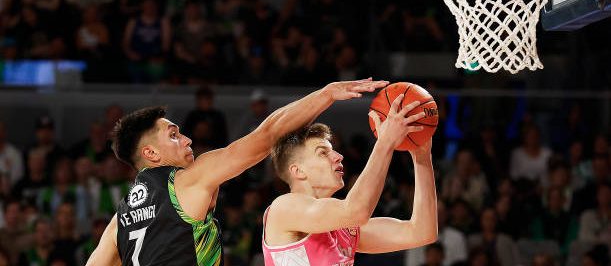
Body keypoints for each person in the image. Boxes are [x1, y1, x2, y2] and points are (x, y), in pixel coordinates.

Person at [86, 78, 388, 265]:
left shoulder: (120, 219)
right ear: (151, 153)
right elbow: (266, 136)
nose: (188, 139)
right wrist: (326, 95)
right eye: (174, 135)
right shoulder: (187, 180)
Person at [262, 94, 438, 265]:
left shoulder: (344, 228)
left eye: (334, 150)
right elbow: (357, 210)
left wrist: (422, 159)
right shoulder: (283, 207)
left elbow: (421, 233)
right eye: (323, 153)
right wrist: (385, 143)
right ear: (298, 171)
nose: (338, 156)